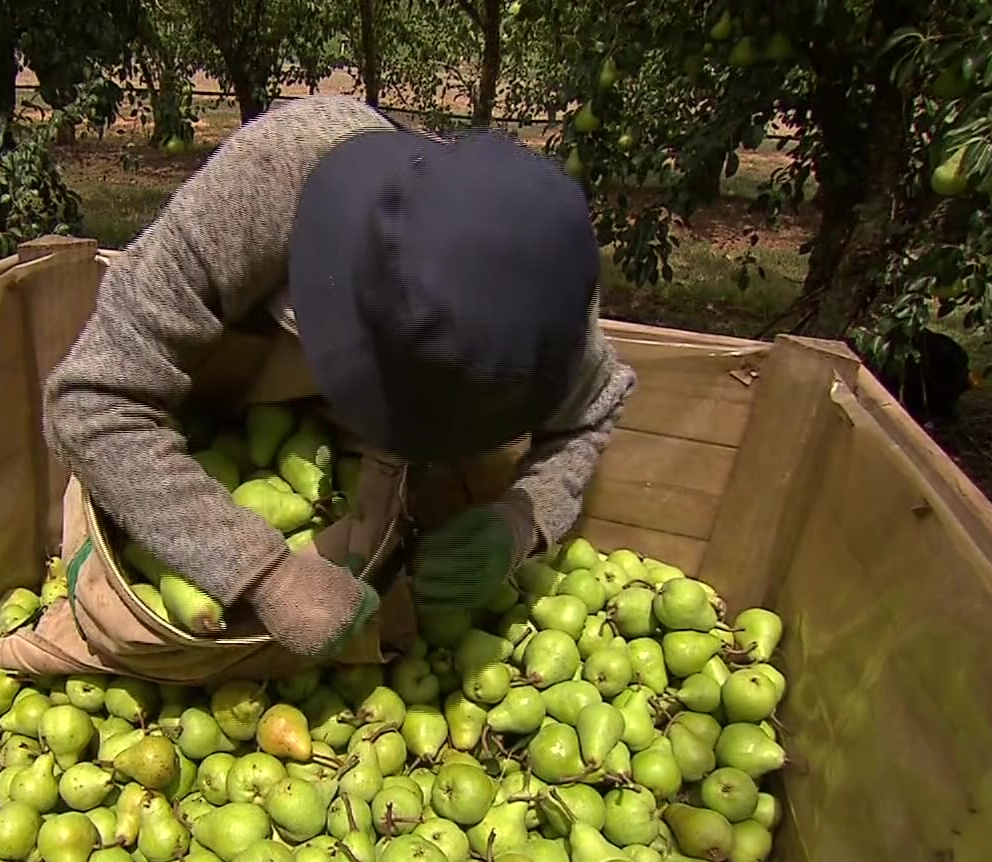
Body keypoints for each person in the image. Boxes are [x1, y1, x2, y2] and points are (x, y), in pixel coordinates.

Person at [43, 94, 636, 660]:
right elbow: (93, 398)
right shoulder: (264, 186)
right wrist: (257, 568)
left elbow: (593, 412)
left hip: (340, 485)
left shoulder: (546, 309)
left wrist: (524, 518)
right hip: (189, 442)